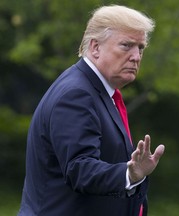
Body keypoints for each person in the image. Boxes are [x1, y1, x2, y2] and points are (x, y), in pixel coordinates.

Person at [18, 5, 165, 216]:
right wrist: (129, 174)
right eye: (126, 45)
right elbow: (80, 169)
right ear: (95, 47)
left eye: (140, 48)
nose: (136, 56)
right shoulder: (76, 94)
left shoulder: (98, 91)